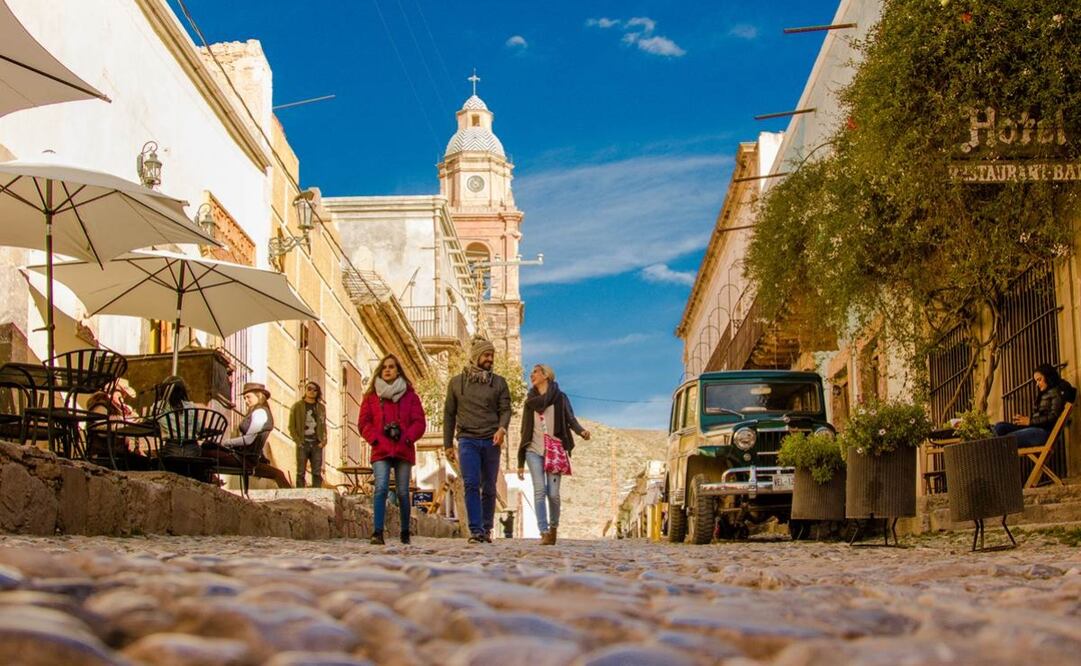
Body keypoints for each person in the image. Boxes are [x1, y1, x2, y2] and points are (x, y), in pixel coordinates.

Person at [443, 336, 511, 544]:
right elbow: (449, 414)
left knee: (489, 486)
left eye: (492, 355)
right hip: (467, 440)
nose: (490, 359)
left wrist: (502, 429)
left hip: (491, 440)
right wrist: (447, 444)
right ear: (476, 356)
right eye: (486, 355)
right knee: (471, 483)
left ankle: (486, 528)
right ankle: (476, 530)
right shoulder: (456, 383)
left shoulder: (499, 383)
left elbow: (505, 410)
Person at [516, 364, 591, 545]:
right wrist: (520, 461)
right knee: (539, 490)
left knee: (553, 494)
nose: (531, 375)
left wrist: (581, 431)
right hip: (533, 450)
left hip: (554, 450)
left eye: (535, 372)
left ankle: (554, 527)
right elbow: (524, 431)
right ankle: (544, 532)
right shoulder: (530, 401)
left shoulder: (560, 398)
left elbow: (570, 419)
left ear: (546, 375)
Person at [359, 354, 426, 545]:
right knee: (380, 488)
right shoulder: (371, 397)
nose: (387, 370)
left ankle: (405, 531)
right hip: (380, 449)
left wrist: (407, 437)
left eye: (392, 367)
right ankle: (377, 532)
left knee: (403, 492)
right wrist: (375, 439)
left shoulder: (411, 397)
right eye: (384, 367)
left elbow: (419, 422)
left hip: (403, 448)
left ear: (398, 371)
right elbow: (364, 423)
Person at [205, 382, 290, 488]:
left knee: (204, 453)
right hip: (246, 457)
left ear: (259, 396)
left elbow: (249, 440)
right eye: (244, 398)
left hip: (244, 459)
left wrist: (225, 443)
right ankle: (212, 481)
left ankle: (210, 483)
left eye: (248, 397)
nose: (246, 401)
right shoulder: (258, 412)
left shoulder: (260, 413)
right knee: (207, 449)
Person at [993, 363, 1074, 446]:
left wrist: (1030, 421)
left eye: (1039, 379)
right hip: (1035, 428)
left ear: (1048, 377)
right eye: (1036, 381)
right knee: (1000, 427)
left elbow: (1054, 417)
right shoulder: (1047, 393)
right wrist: (1026, 421)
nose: (1037, 384)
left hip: (1043, 433)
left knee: (1005, 440)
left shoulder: (1057, 392)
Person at [289, 381, 327, 488]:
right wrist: (298, 441)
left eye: (315, 390)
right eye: (309, 388)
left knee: (317, 472)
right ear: (305, 390)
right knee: (300, 472)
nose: (312, 391)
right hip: (303, 442)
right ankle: (300, 494)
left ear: (318, 392)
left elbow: (323, 425)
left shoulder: (321, 407)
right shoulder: (297, 406)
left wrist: (324, 441)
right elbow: (291, 426)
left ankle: (316, 493)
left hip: (316, 443)